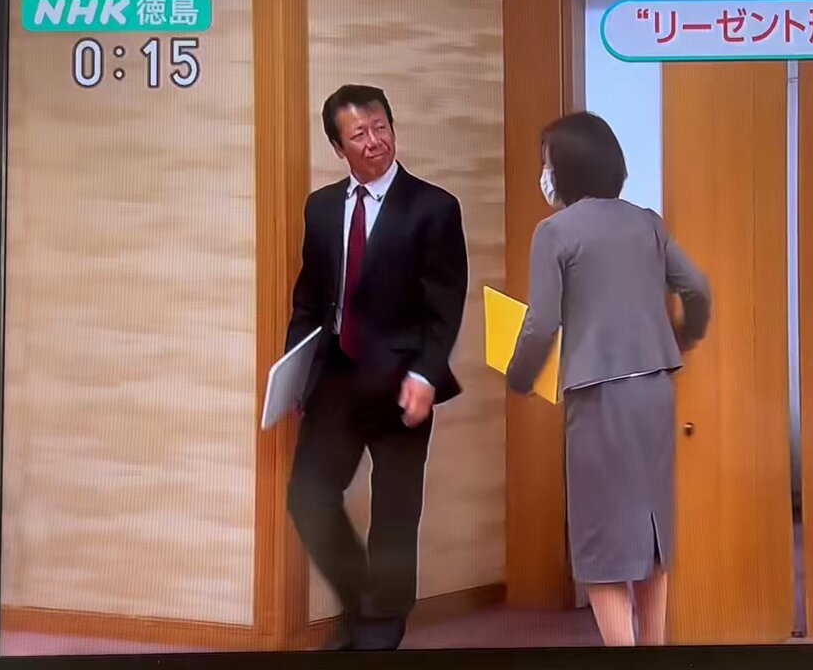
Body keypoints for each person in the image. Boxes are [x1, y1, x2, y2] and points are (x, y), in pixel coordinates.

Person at [506, 112, 711, 646]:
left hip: (599, 396)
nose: (544, 174)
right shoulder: (647, 222)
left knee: (600, 545)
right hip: (654, 392)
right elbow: (697, 287)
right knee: (650, 536)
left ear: (566, 168)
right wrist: (683, 337)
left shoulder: (554, 232)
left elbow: (540, 324)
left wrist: (519, 377)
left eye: (546, 163)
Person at [284, 84, 468, 651]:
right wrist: (296, 377)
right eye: (359, 134)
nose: (374, 142)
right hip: (336, 378)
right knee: (308, 497)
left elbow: (445, 305)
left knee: (394, 510)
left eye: (381, 127)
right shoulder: (321, 208)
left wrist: (426, 375)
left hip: (402, 381)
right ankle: (362, 599)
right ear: (338, 147)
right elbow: (308, 303)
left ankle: (380, 628)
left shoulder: (434, 207)